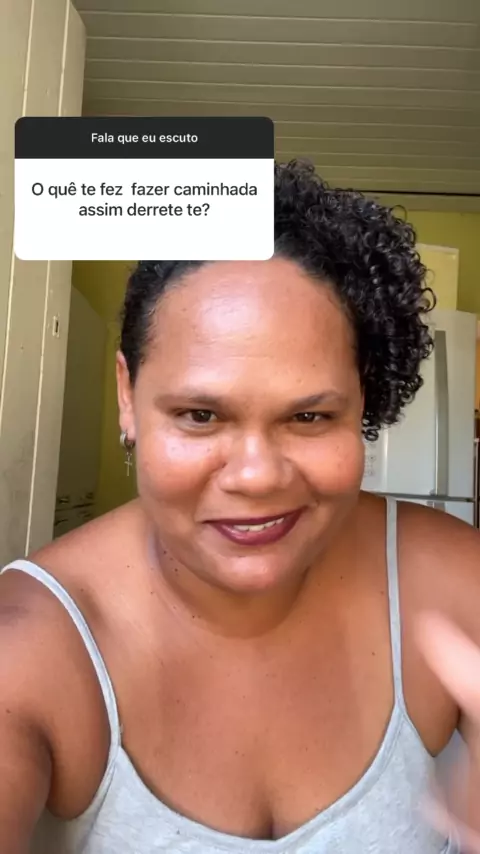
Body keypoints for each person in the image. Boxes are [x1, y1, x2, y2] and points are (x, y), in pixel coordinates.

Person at [1, 160, 480, 854]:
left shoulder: (450, 578)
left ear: (362, 404)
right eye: (201, 415)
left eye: (310, 417)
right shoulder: (30, 645)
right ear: (128, 395)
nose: (256, 476)